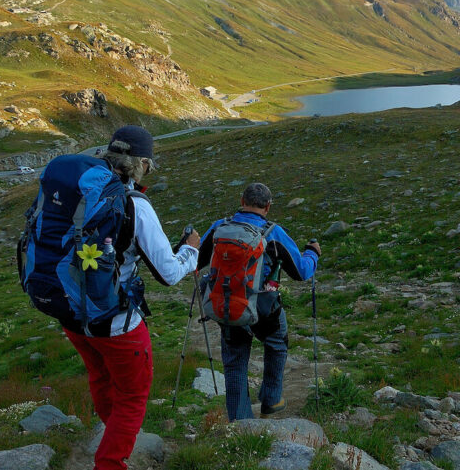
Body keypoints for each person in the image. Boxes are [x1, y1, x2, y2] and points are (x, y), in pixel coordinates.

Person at [64, 125, 200, 470]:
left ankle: (111, 436)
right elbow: (168, 273)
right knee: (133, 395)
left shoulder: (78, 190)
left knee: (101, 376)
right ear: (142, 163)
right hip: (114, 321)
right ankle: (110, 462)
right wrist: (191, 252)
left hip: (71, 312)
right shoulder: (134, 204)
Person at [197, 182, 320, 421]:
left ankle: (241, 424)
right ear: (268, 207)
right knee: (276, 341)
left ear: (242, 201)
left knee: (234, 363)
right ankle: (271, 398)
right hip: (264, 306)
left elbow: (197, 261)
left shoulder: (218, 228)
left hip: (227, 304)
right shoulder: (273, 233)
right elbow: (302, 272)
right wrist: (312, 253)